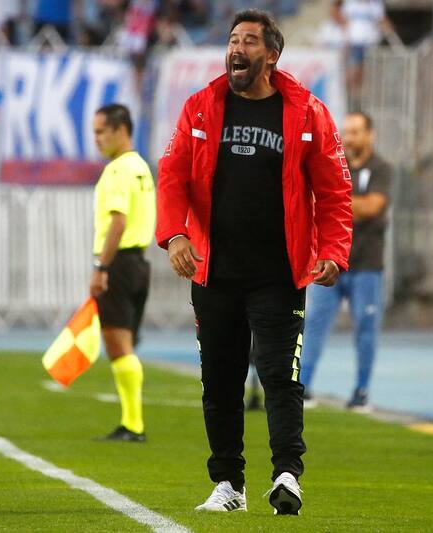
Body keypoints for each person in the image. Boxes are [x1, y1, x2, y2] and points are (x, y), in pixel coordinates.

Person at [156, 9, 353, 515]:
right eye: (232, 40)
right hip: (214, 272)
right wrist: (175, 235)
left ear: (272, 55)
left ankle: (287, 475)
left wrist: (333, 251)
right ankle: (229, 486)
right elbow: (172, 176)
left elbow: (335, 193)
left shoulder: (308, 112)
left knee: (280, 378)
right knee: (219, 383)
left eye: (248, 41)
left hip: (279, 275)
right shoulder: (201, 107)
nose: (236, 49)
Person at [300, 111, 392, 412]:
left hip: (366, 264)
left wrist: (334, 201)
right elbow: (315, 201)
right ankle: (303, 387)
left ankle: (361, 391)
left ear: (370, 135)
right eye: (346, 131)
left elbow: (373, 207)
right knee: (314, 323)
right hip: (329, 260)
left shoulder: (381, 169)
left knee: (366, 327)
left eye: (355, 132)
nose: (349, 137)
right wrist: (342, 203)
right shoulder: (333, 164)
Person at [90, 104, 156, 443]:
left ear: (120, 130)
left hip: (119, 263)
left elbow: (118, 222)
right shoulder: (140, 167)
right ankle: (132, 423)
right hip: (139, 264)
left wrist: (101, 267)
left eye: (101, 131)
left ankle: (133, 424)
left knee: (119, 345)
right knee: (126, 342)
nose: (97, 139)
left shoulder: (117, 170)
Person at [341, 0, 393, 107]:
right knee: (353, 73)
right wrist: (345, 43)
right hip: (355, 44)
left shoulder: (375, 4)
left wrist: (391, 33)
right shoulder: (350, 3)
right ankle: (352, 101)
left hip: (370, 45)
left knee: (367, 75)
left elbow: (382, 20)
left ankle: (364, 102)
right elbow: (345, 23)